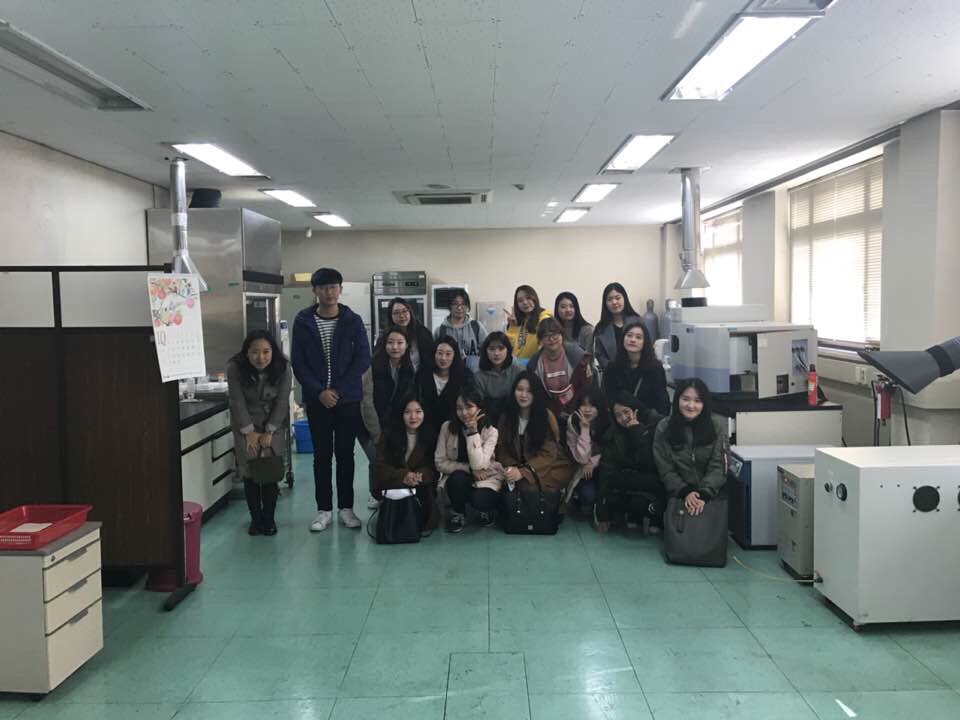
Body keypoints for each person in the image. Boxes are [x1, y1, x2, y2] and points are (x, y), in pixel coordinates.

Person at [292, 267, 371, 533]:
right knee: (322, 455)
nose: (329, 292)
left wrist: (337, 390)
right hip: (317, 401)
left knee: (346, 454)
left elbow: (363, 358)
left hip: (347, 399)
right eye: (324, 288)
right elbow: (299, 362)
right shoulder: (303, 321)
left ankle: (346, 509)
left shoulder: (352, 320)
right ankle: (323, 509)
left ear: (340, 289)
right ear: (315, 291)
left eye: (334, 287)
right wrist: (319, 392)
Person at [227, 330, 292, 536]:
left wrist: (270, 430)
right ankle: (255, 519)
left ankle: (269, 518)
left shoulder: (284, 368)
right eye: (254, 352)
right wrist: (249, 432)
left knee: (270, 471)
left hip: (274, 423)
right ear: (246, 352)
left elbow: (282, 402)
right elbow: (237, 401)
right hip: (245, 424)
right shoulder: (235, 368)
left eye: (266, 352)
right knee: (250, 472)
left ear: (273, 351)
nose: (260, 357)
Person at [653, 378, 728, 519]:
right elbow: (665, 469)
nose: (691, 406)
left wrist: (704, 494)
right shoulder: (664, 427)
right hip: (677, 494)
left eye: (697, 401)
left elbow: (719, 466)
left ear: (705, 403)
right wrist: (684, 491)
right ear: (677, 400)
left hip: (712, 495)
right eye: (685, 399)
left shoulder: (717, 426)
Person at [360, 327, 416, 509]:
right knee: (376, 457)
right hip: (369, 425)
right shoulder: (371, 367)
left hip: (394, 425)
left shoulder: (409, 368)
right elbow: (366, 403)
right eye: (390, 342)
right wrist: (377, 435)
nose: (395, 347)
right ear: (384, 345)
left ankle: (390, 492)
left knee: (393, 458)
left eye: (400, 343)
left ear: (406, 346)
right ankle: (375, 493)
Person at [594, 392, 663, 534]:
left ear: (636, 409)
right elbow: (607, 470)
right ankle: (631, 515)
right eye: (618, 415)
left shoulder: (657, 426)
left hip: (653, 483)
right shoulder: (615, 433)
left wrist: (636, 431)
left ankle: (656, 517)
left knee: (642, 498)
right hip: (629, 483)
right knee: (614, 490)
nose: (623, 418)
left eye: (626, 412)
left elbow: (649, 463)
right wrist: (602, 513)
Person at [495, 372, 574, 495]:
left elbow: (549, 453)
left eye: (529, 391)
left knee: (528, 487)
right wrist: (513, 468)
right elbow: (501, 448)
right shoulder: (506, 417)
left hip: (546, 466)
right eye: (520, 389)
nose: (523, 395)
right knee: (514, 486)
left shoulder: (545, 416)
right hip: (516, 466)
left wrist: (524, 472)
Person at [435, 386, 500, 533]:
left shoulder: (491, 431)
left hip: (485, 476)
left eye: (469, 407)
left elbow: (480, 464)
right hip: (460, 475)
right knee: (456, 479)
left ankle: (484, 510)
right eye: (459, 408)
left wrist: (473, 432)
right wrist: (468, 469)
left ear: (479, 408)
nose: (464, 413)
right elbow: (439, 462)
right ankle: (458, 513)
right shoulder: (447, 427)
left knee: (481, 499)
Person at [372, 396, 439, 534]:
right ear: (401, 414)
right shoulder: (389, 434)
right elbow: (380, 466)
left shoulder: (430, 435)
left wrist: (418, 476)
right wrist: (404, 475)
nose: (413, 417)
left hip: (419, 483)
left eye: (418, 411)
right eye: (407, 412)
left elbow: (434, 467)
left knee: (427, 492)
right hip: (394, 481)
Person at [526, 317, 593, 423]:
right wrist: (555, 411)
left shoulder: (578, 356)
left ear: (562, 335)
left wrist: (577, 408)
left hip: (579, 409)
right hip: (549, 412)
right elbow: (538, 394)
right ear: (540, 340)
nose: (552, 339)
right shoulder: (534, 364)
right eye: (546, 336)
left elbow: (587, 386)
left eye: (555, 334)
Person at [601, 320, 670, 418]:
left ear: (645, 342)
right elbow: (608, 399)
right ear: (623, 339)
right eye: (629, 335)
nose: (633, 340)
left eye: (638, 337)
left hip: (646, 420)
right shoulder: (612, 367)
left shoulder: (655, 368)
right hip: (619, 419)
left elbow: (663, 404)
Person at [564, 384, 611, 514]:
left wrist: (592, 462)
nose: (588, 410)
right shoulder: (573, 421)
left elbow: (607, 449)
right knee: (587, 496)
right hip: (580, 467)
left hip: (602, 465)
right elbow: (581, 458)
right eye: (584, 405)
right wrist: (584, 429)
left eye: (592, 406)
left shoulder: (607, 421)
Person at [416, 337, 472, 431]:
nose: (443, 358)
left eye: (448, 354)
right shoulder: (422, 374)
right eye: (440, 353)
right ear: (434, 354)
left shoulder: (464, 376)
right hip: (425, 426)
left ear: (455, 355)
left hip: (453, 427)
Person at [473, 331, 524, 421]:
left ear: (508, 350)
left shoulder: (518, 370)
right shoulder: (478, 375)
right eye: (492, 349)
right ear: (485, 351)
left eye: (501, 348)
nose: (496, 353)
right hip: (488, 418)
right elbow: (478, 406)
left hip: (514, 416)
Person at [593, 282, 641, 372]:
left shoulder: (638, 321)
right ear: (605, 303)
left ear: (624, 299)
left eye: (618, 298)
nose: (614, 302)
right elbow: (600, 356)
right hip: (613, 375)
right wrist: (615, 371)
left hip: (638, 372)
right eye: (609, 299)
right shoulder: (601, 328)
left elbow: (647, 348)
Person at [435, 289, 487, 371]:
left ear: (467, 306)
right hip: (450, 374)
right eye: (455, 304)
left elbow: (487, 350)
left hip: (473, 374)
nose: (459, 308)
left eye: (463, 304)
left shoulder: (477, 326)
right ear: (449, 306)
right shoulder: (440, 331)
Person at [379, 298, 434, 372]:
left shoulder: (423, 333)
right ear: (390, 316)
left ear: (410, 312)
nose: (401, 316)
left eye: (404, 311)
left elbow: (430, 361)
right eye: (396, 313)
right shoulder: (384, 337)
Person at [504, 285, 551, 363]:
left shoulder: (544, 318)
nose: (525, 302)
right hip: (517, 366)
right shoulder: (520, 320)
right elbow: (510, 347)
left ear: (535, 298)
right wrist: (513, 327)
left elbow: (546, 347)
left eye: (528, 298)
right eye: (520, 301)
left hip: (536, 366)